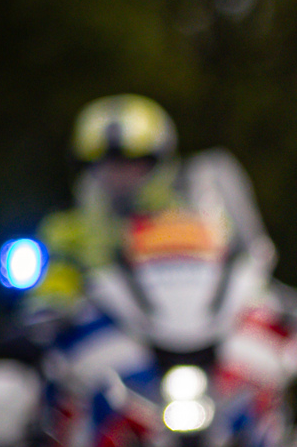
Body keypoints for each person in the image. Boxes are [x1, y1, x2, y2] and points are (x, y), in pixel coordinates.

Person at [27, 93, 269, 303]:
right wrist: (48, 309)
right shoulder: (68, 229)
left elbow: (235, 273)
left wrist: (264, 296)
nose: (120, 175)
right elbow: (51, 288)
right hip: (105, 343)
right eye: (107, 165)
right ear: (86, 168)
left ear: (159, 164)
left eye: (134, 162)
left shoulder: (190, 216)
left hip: (186, 332)